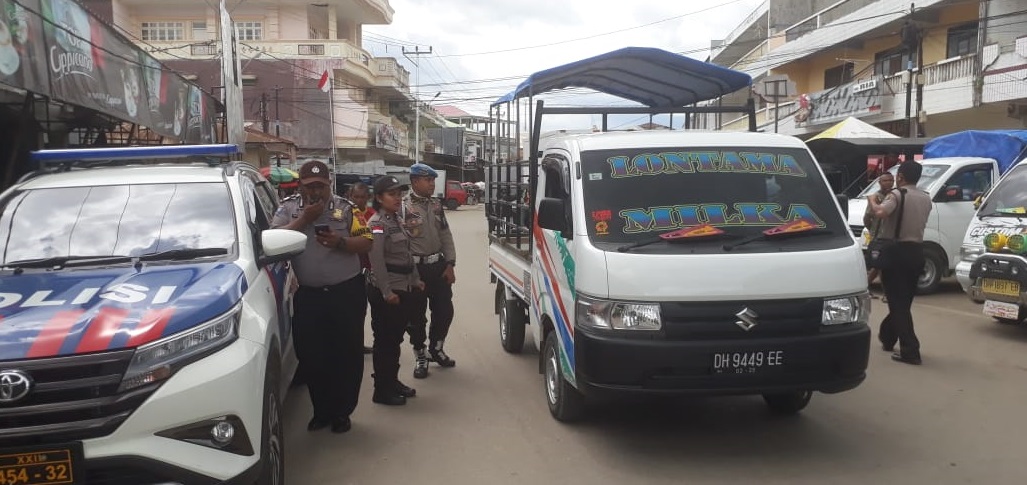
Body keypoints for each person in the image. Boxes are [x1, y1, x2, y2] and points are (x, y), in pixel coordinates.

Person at [272, 160, 372, 433]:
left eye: (320, 185)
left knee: (347, 355)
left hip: (345, 293)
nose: (315, 191)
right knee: (313, 355)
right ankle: (322, 411)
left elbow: (367, 240)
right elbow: (271, 237)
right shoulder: (289, 208)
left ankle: (342, 412)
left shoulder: (347, 208)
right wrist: (304, 220)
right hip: (309, 296)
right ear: (301, 187)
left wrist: (340, 243)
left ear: (329, 184)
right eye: (310, 186)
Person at [867, 162, 932, 365]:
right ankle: (887, 336)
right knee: (903, 301)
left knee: (898, 303)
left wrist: (872, 201)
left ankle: (910, 350)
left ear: (901, 177)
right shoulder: (926, 198)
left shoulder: (897, 195)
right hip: (917, 252)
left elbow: (880, 213)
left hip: (897, 252)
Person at [367, 176, 422, 405]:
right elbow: (376, 261)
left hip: (403, 285)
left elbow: (407, 255)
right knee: (386, 342)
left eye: (399, 194)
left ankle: (392, 381)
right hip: (389, 291)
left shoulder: (396, 219)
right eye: (392, 194)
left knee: (395, 339)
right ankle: (382, 389)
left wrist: (416, 279)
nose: (397, 198)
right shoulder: (377, 224)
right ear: (379, 198)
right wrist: (386, 292)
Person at [403, 163, 457, 379]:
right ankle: (421, 354)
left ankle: (436, 347)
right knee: (416, 316)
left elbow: (445, 235)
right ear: (415, 181)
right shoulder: (402, 206)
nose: (432, 184)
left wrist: (450, 264)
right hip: (415, 269)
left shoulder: (435, 205)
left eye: (433, 180)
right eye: (428, 180)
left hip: (438, 266)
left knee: (444, 311)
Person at [348, 182, 376, 355]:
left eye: (362, 197)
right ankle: (354, 344)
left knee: (372, 310)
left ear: (368, 198)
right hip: (351, 270)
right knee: (356, 310)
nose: (358, 200)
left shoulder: (373, 216)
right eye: (355, 197)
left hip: (372, 270)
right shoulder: (346, 215)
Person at [864, 172, 895, 301]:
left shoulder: (894, 196)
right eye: (885, 180)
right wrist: (872, 231)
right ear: (879, 183)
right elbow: (867, 217)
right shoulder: (876, 197)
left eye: (890, 180)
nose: (888, 183)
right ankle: (885, 293)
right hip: (878, 236)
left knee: (881, 266)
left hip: (890, 236)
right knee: (880, 265)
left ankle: (866, 288)